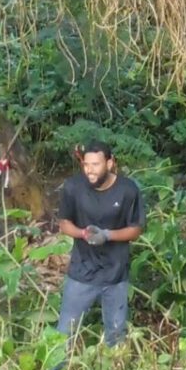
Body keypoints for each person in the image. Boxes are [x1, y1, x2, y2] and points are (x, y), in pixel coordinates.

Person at [55, 140, 145, 348]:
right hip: (82, 273)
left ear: (110, 163)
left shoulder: (128, 190)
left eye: (95, 165)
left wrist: (107, 235)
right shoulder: (73, 187)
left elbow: (136, 229)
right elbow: (64, 223)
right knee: (64, 334)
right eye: (86, 165)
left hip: (116, 275)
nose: (89, 170)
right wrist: (82, 233)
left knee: (116, 334)